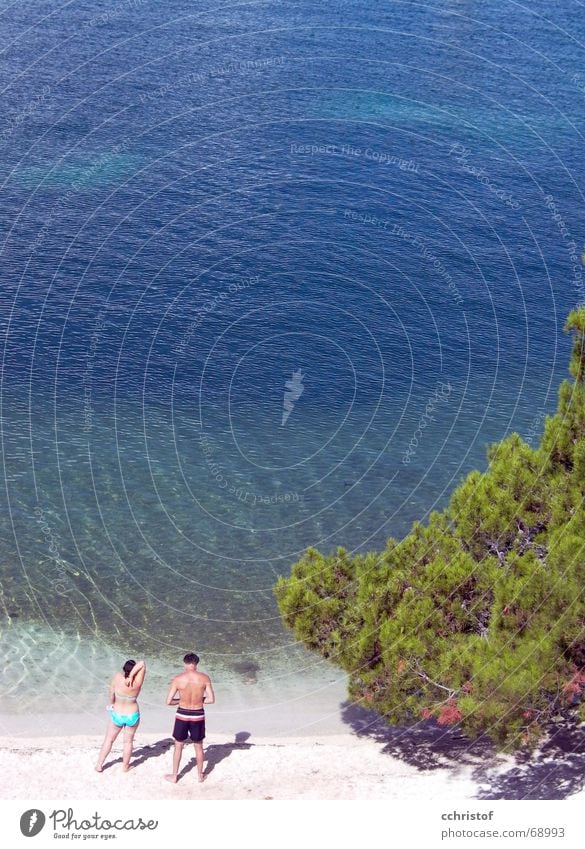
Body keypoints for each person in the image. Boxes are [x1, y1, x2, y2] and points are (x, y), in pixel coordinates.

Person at [165, 652, 215, 784]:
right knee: (198, 745)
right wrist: (200, 699)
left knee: (178, 745)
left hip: (182, 713)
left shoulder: (178, 679)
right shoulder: (204, 678)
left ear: (185, 663)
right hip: (198, 714)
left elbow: (168, 701)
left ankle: (175, 776)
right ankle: (200, 776)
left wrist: (181, 701)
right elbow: (211, 700)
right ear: (196, 664)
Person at [95, 658, 146, 773]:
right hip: (132, 715)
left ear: (124, 669)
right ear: (135, 671)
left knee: (109, 740)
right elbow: (142, 663)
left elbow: (111, 693)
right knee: (128, 742)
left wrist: (112, 704)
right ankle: (125, 767)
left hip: (117, 714)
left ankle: (99, 765)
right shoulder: (137, 683)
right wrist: (132, 676)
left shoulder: (117, 677)